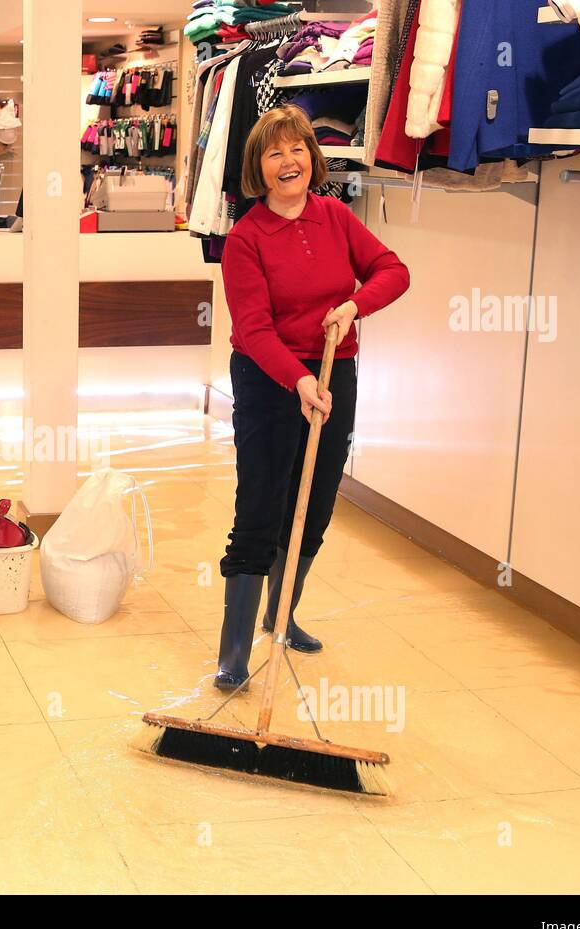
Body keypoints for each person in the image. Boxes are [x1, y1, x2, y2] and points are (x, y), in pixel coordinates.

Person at [215, 106, 410, 690]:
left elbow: (392, 271)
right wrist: (297, 381)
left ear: (312, 157)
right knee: (261, 506)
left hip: (335, 372)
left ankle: (282, 613)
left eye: (297, 149)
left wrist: (354, 304)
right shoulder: (244, 239)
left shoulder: (335, 217)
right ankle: (233, 652)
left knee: (317, 500)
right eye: (274, 153)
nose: (288, 161)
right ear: (259, 168)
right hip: (267, 378)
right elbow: (252, 329)